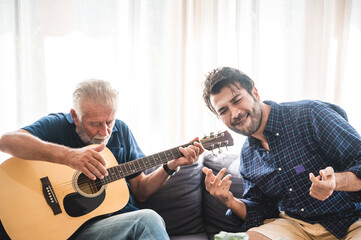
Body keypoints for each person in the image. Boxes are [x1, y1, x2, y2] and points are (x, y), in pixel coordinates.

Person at [0, 79, 204, 240]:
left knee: (146, 220)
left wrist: (170, 166)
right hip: (62, 228)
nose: (105, 131)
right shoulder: (58, 126)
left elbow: (141, 191)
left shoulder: (121, 131)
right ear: (74, 116)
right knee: (148, 220)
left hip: (111, 226)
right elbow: (6, 141)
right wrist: (68, 156)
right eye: (95, 123)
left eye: (110, 121)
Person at [201, 66, 361, 240]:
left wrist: (336, 182)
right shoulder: (248, 155)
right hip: (294, 226)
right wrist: (228, 200)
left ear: (255, 93)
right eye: (223, 111)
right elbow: (261, 211)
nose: (235, 113)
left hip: (351, 221)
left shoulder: (310, 114)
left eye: (237, 100)